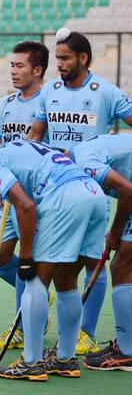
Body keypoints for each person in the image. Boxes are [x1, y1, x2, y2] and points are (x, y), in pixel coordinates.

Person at [0, 141, 107, 381]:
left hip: (64, 197)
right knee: (66, 279)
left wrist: (27, 257)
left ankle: (31, 362)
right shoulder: (13, 150)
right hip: (93, 194)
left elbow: (26, 205)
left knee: (35, 282)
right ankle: (65, 359)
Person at [28, 28, 132, 354]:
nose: (58, 64)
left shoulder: (107, 92)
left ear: (82, 58)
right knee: (61, 261)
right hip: (58, 186)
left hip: (96, 185)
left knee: (93, 260)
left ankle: (86, 332)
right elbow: (36, 134)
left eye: (64, 58)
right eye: (56, 58)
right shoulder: (49, 91)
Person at [0, 41, 53, 350]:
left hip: (36, 196)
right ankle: (39, 293)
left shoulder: (49, 103)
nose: (13, 71)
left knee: (28, 257)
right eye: (11, 65)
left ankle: (23, 326)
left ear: (37, 70)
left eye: (20, 66)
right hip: (7, 193)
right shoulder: (5, 104)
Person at [70, 134, 132, 371]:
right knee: (124, 266)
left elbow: (127, 190)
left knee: (121, 267)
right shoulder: (82, 156)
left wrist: (116, 231)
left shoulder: (85, 161)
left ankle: (127, 352)